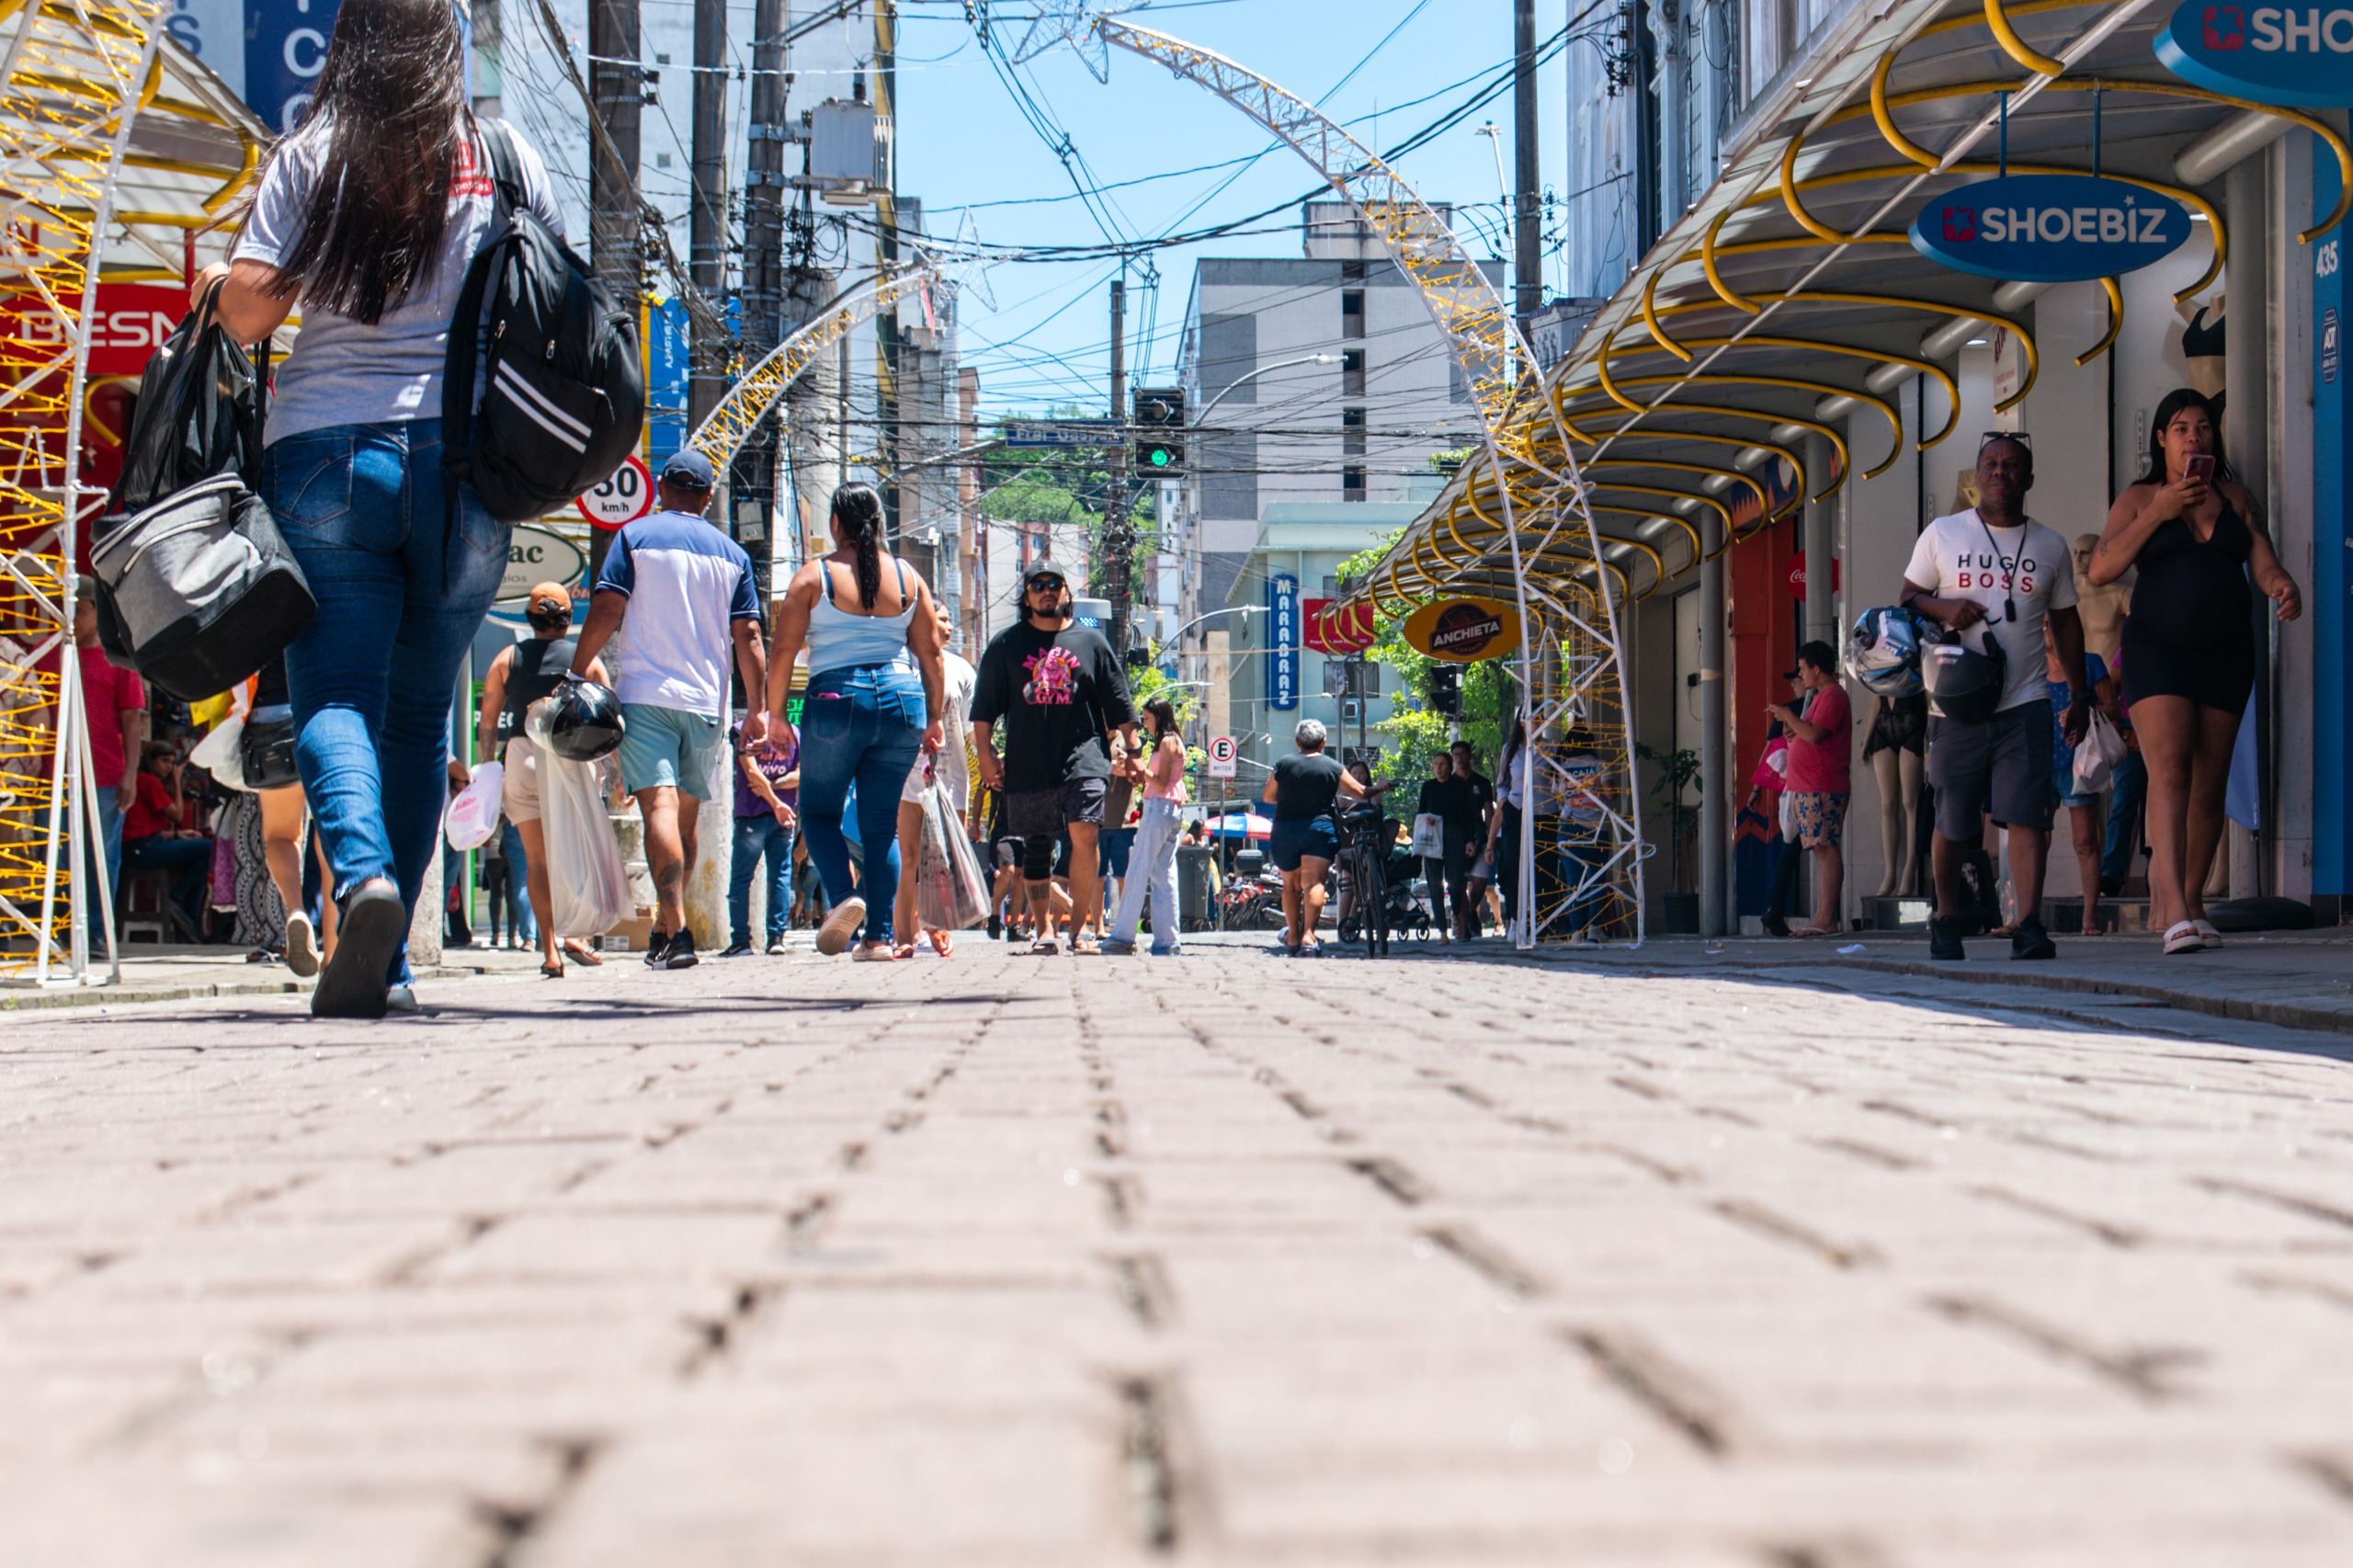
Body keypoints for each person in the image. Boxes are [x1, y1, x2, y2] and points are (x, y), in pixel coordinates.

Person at [204, 0, 569, 1017]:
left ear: (349, 46)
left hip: (324, 454)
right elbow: (559, 288)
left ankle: (359, 877)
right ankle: (393, 952)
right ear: (442, 48)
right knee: (415, 716)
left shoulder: (312, 154)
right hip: (463, 468)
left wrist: (326, 241)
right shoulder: (500, 155)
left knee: (333, 698)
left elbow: (241, 311)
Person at [2087, 388, 2302, 955]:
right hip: (2158, 650)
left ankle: (2192, 900)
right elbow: (2101, 569)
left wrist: (2282, 586)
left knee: (2210, 787)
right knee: (2171, 772)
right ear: (2161, 439)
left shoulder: (2236, 497)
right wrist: (2159, 512)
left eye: (2203, 427)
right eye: (2181, 428)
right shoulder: (2139, 498)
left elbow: (2263, 559)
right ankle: (2175, 909)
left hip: (2226, 651)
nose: (2193, 437)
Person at [572, 449, 767, 971]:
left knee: (656, 811)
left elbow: (608, 607)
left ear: (661, 489)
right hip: (707, 703)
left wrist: (578, 668)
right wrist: (759, 710)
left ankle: (676, 930)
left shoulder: (633, 538)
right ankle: (665, 928)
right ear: (707, 497)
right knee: (685, 819)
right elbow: (748, 635)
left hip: (646, 697)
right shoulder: (733, 554)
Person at [1900, 433, 2090, 962]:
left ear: (2028, 478)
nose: (2000, 472)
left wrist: (2077, 693)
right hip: (1956, 704)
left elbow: (2066, 623)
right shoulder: (1942, 533)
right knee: (1954, 818)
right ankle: (1945, 917)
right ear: (1976, 476)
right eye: (1990, 464)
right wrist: (1947, 608)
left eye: (2011, 465)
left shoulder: (2050, 545)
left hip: (2025, 700)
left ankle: (2028, 923)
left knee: (2028, 816)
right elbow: (1909, 597)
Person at [766, 483, 947, 960]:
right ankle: (879, 938)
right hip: (903, 702)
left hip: (835, 697)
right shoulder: (909, 577)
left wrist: (778, 715)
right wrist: (933, 718)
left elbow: (783, 650)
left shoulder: (814, 576)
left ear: (835, 524)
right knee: (881, 826)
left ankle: (846, 900)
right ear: (881, 524)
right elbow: (930, 654)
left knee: (820, 812)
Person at [971, 559, 1136, 957]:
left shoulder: (1092, 644)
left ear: (1067, 593)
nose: (1048, 590)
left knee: (1085, 832)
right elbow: (984, 709)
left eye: (1055, 584)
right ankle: (1044, 929)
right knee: (1038, 847)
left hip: (1083, 758)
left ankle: (1078, 930)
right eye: (1038, 585)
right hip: (1027, 761)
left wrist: (1133, 751)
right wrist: (987, 754)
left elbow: (1119, 703)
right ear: (1026, 597)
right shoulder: (1006, 645)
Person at [477, 583, 608, 977]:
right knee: (575, 855)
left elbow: (487, 723)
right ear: (568, 619)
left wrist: (487, 767)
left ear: (530, 618)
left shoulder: (507, 658)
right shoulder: (586, 660)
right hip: (571, 756)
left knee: (536, 861)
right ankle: (576, 935)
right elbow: (608, 718)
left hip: (522, 756)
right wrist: (620, 773)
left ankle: (549, 950)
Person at [890, 604, 976, 958]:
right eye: (941, 618)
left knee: (942, 859)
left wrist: (989, 765)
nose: (949, 625)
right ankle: (903, 937)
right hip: (907, 774)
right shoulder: (900, 663)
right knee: (908, 856)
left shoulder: (962, 669)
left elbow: (970, 731)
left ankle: (936, 925)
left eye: (949, 619)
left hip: (950, 777)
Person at [1262, 718, 1377, 957]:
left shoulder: (1283, 764)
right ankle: (1308, 936)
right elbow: (1361, 792)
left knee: (1290, 886)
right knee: (1314, 883)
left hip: (1285, 830)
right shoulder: (1333, 766)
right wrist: (1382, 787)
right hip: (1318, 828)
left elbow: (1268, 797)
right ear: (1323, 743)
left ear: (1297, 741)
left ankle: (1293, 935)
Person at [73, 583, 145, 949]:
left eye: (80, 610)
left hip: (105, 773)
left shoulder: (119, 660)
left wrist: (131, 773)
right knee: (55, 854)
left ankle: (97, 934)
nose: (71, 618)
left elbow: (133, 721)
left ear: (96, 613)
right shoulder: (47, 655)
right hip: (55, 776)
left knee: (101, 857)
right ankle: (60, 931)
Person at [1766, 641, 1851, 938]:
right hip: (1811, 785)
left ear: (1816, 668)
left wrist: (1789, 717)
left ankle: (1826, 918)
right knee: (1820, 849)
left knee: (1825, 849)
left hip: (1822, 785)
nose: (1800, 675)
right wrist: (1793, 730)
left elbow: (1815, 735)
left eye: (1802, 668)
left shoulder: (1833, 697)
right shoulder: (1819, 697)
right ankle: (1822, 915)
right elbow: (1808, 734)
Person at [1103, 696, 1189, 957]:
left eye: (1147, 718)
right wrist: (1140, 772)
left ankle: (1123, 935)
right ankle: (1167, 940)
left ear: (1159, 716)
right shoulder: (1173, 740)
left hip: (1160, 806)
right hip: (1170, 808)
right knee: (1164, 875)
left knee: (1138, 870)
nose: (1144, 723)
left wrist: (1141, 768)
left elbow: (1161, 782)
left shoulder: (1167, 741)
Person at [2043, 625, 2115, 937]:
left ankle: (2090, 917)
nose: (2046, 631)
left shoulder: (2089, 663)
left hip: (2079, 763)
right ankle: (2023, 913)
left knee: (2086, 841)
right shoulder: (2029, 666)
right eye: (2042, 624)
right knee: (2032, 842)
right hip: (2037, 762)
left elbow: (2113, 707)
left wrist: (2082, 709)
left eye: (2050, 624)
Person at [122, 744, 213, 939]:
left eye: (172, 763)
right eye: (164, 761)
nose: (169, 767)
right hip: (143, 849)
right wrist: (177, 779)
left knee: (200, 858)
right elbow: (177, 815)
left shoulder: (145, 781)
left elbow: (146, 825)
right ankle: (177, 896)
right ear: (151, 761)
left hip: (145, 845)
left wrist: (177, 836)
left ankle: (188, 915)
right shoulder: (147, 781)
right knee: (210, 849)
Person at [725, 719, 799, 957]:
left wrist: (769, 792)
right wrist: (778, 798)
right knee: (780, 877)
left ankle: (741, 941)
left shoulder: (742, 728)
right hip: (784, 816)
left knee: (741, 879)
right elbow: (802, 774)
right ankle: (776, 938)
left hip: (752, 813)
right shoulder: (795, 732)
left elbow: (751, 771)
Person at [1415, 752, 1466, 944]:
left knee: (1455, 882)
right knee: (1434, 884)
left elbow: (1466, 814)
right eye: (1435, 764)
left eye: (1442, 764)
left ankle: (1458, 917)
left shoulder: (1459, 787)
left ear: (1450, 766)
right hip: (1432, 837)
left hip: (1454, 834)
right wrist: (1426, 818)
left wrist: (1469, 840)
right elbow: (1421, 812)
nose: (1438, 768)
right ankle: (1442, 931)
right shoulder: (1428, 787)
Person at [1447, 740, 1496, 936]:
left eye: (1462, 754)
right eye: (1455, 755)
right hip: (1455, 838)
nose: (1459, 758)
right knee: (1457, 882)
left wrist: (1491, 838)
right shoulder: (1449, 783)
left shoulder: (1482, 782)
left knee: (1480, 882)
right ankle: (1463, 924)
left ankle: (1468, 913)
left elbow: (1489, 812)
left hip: (1480, 837)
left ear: (1470, 756)